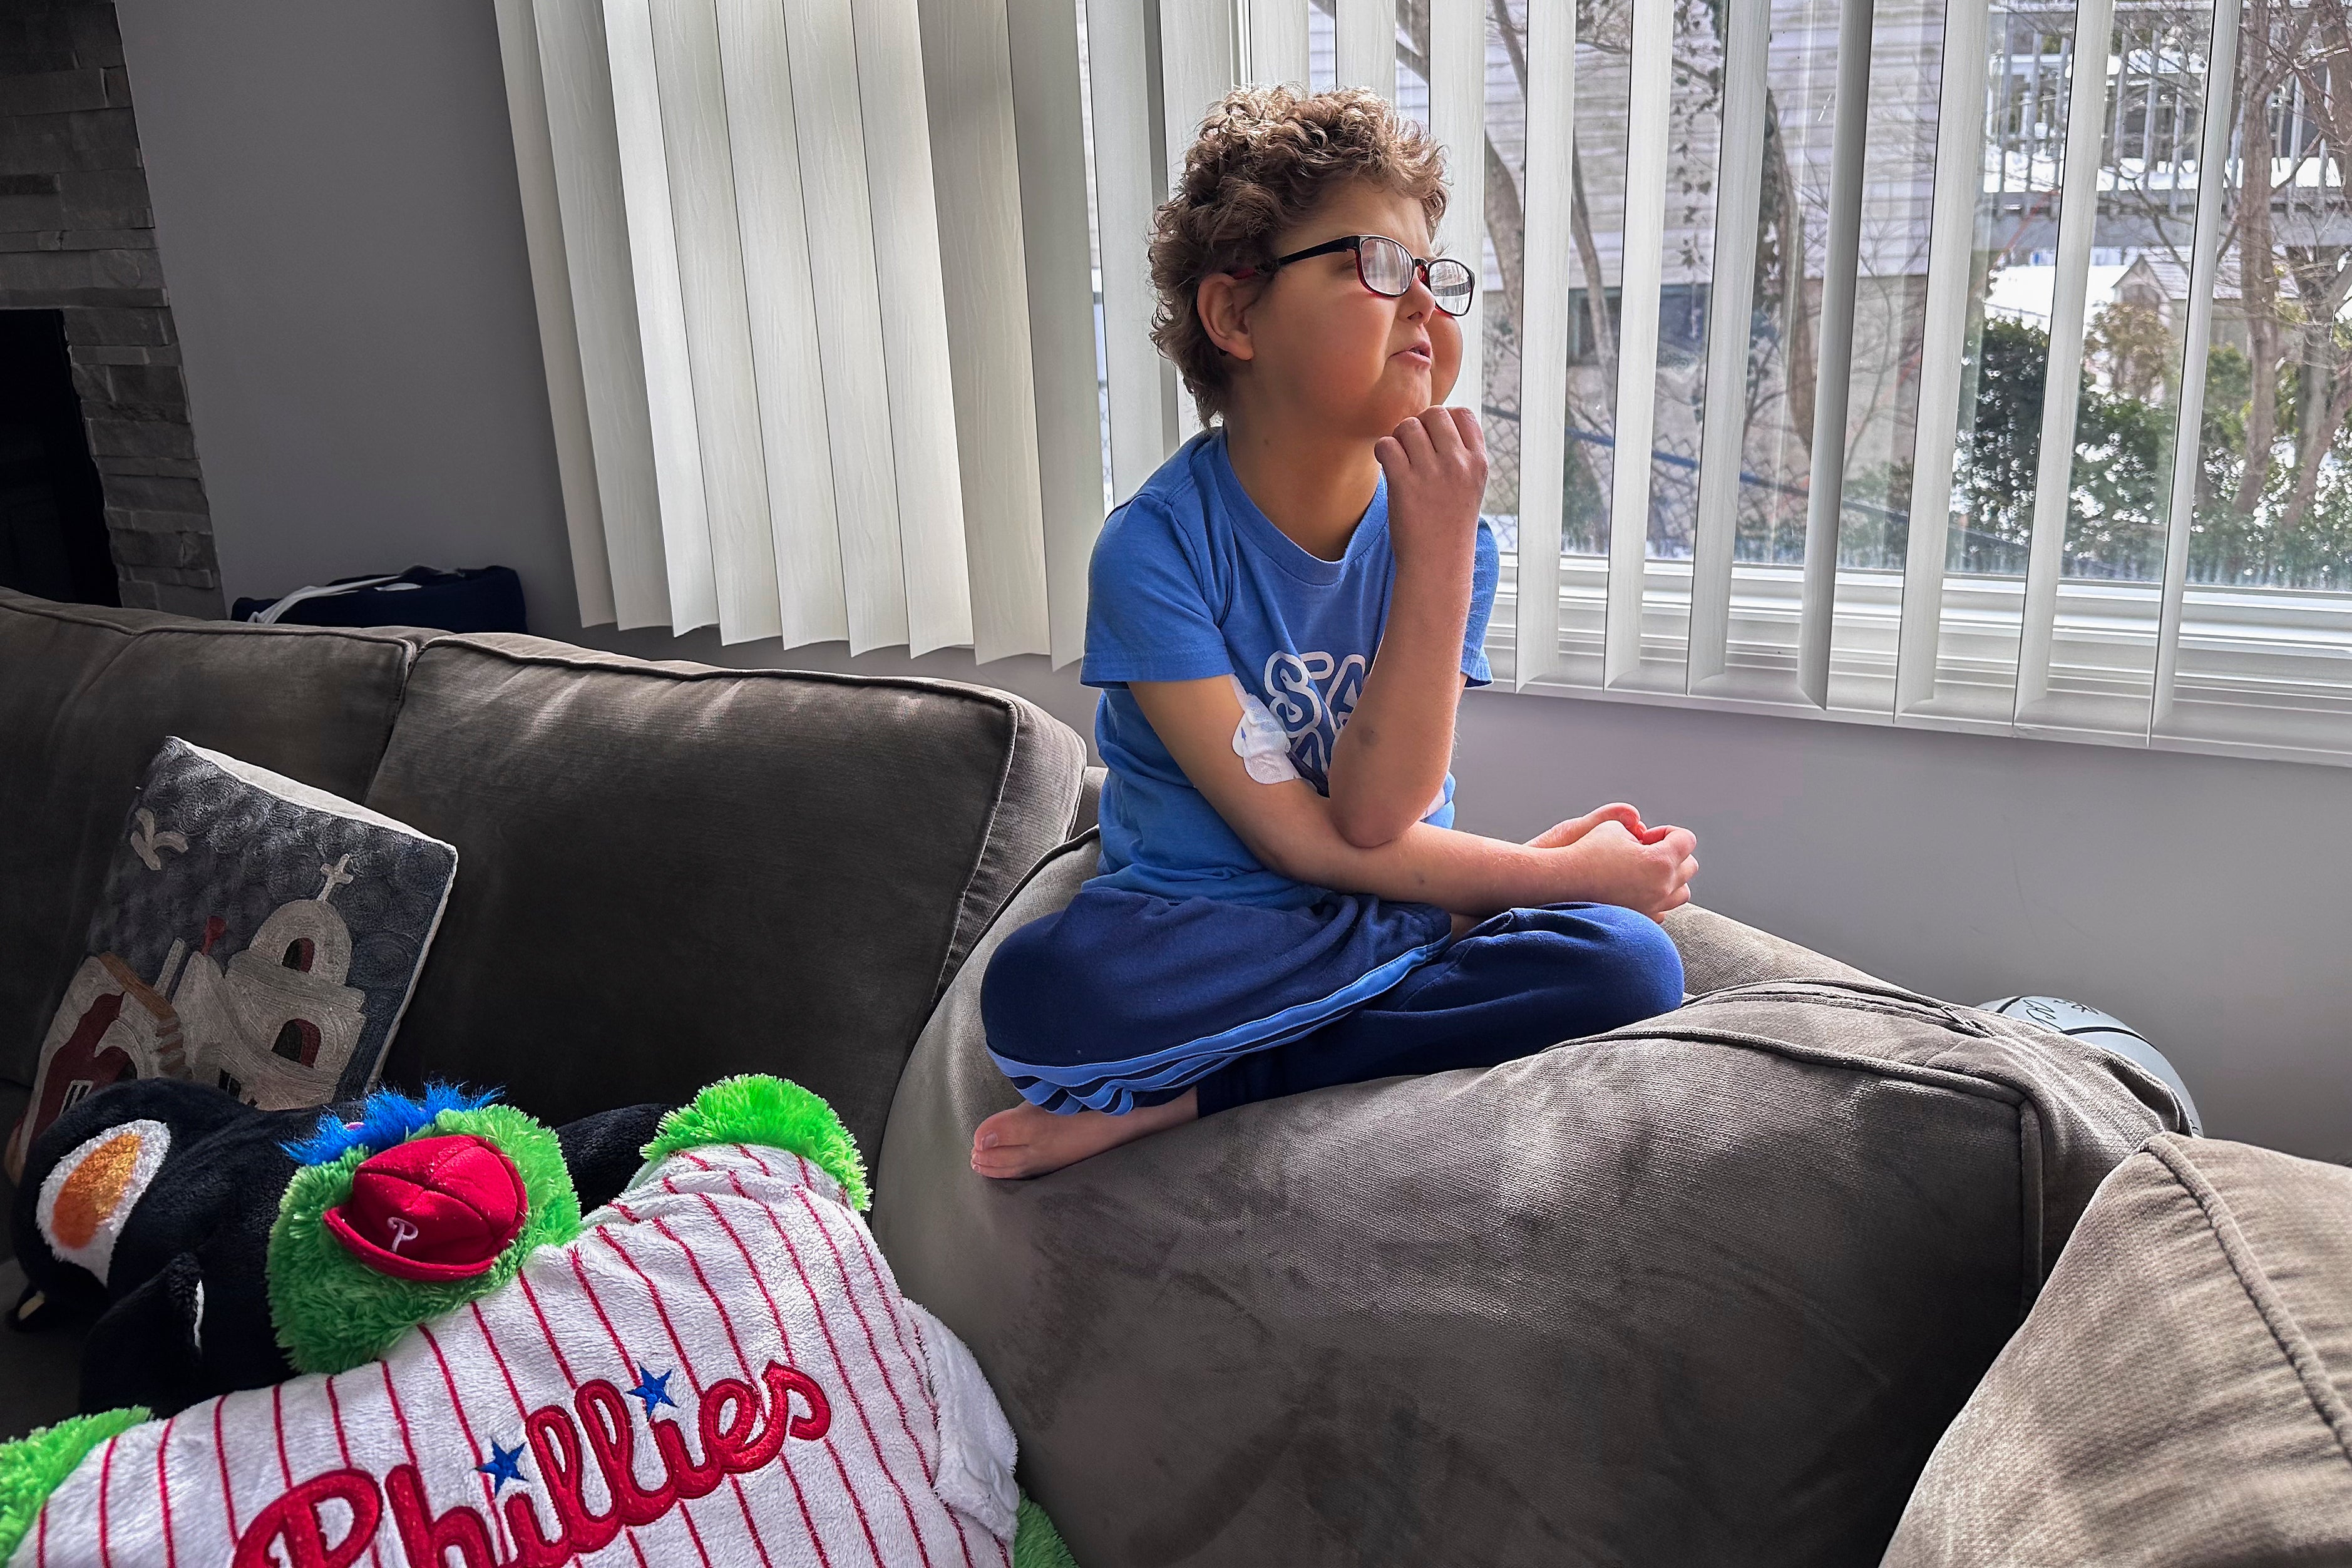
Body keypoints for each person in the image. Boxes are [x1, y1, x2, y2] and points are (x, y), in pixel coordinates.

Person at [973, 85, 1696, 1179]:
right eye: (1376, 265)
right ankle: (1397, 960)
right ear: (1235, 316)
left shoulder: (1452, 539)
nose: (1427, 305)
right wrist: (1536, 875)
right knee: (1038, 997)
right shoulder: (1152, 550)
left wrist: (1440, 548)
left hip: (1387, 897)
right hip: (1217, 926)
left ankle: (1202, 1091)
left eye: (1434, 272)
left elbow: (1376, 810)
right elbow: (1299, 841)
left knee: (1629, 964)